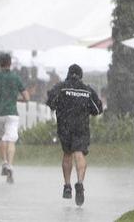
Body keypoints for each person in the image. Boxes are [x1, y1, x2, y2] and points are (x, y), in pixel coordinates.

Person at [46, 64, 103, 206]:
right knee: (79, 154)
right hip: (81, 127)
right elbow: (97, 109)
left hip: (65, 126)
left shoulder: (61, 87)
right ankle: (80, 183)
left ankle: (67, 186)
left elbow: (51, 102)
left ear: (68, 74)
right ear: (81, 75)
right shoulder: (87, 90)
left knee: (67, 154)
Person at [0, 52, 29, 184]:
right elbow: (27, 98)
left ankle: (4, 162)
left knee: (1, 138)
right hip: (11, 113)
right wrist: (16, 99)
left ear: (0, 63)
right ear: (10, 63)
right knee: (11, 141)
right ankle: (10, 165)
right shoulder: (16, 78)